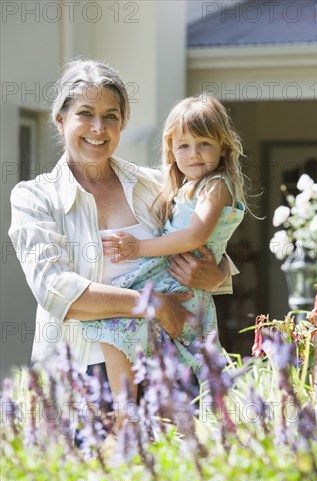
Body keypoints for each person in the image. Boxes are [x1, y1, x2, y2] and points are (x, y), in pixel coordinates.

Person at [8, 59, 237, 420]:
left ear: (122, 123)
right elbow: (56, 290)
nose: (99, 128)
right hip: (82, 381)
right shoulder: (35, 198)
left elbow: (203, 239)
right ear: (61, 119)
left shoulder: (156, 186)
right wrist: (155, 305)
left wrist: (218, 272)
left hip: (164, 371)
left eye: (111, 116)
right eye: (86, 113)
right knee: (87, 477)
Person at [83, 95, 246, 407]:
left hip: (179, 284)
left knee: (176, 364)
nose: (194, 154)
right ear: (171, 149)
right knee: (121, 329)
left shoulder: (216, 186)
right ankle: (127, 411)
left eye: (204, 144)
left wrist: (138, 248)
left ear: (223, 147)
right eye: (183, 145)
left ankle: (134, 414)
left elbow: (194, 236)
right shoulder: (183, 187)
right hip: (167, 278)